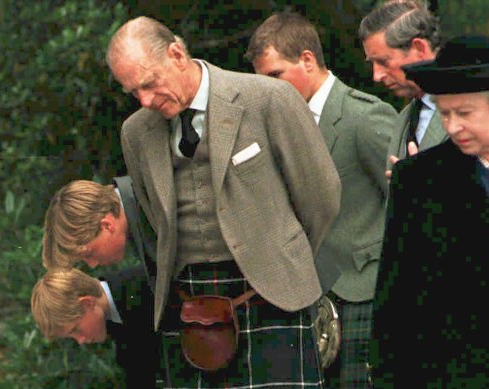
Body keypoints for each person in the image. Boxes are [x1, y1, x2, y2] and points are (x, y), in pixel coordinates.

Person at [105, 16, 341, 388]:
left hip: (272, 294)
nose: (145, 100)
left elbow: (320, 195)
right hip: (189, 301)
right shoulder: (135, 132)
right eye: (133, 92)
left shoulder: (268, 99)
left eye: (149, 83)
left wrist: (281, 256)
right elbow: (154, 213)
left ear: (177, 54)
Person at [370, 35, 489, 388]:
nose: (452, 127)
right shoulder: (418, 180)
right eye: (444, 114)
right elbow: (396, 309)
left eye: (464, 113)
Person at [246, 12, 397, 388]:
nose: (268, 90)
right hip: (314, 301)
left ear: (308, 60)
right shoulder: (280, 126)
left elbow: (411, 207)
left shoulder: (363, 116)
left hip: (368, 294)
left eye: (275, 76)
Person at [30, 265, 160, 388]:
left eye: (75, 329)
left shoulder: (150, 288)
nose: (80, 340)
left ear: (87, 303)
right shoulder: (114, 320)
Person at [359, 0, 448, 178]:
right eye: (373, 64)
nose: (377, 76)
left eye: (384, 62)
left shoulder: (470, 107)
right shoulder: (404, 118)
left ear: (419, 48)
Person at [42, 176, 156, 285]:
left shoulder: (157, 210)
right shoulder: (142, 217)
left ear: (106, 226)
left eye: (89, 255)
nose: (93, 265)